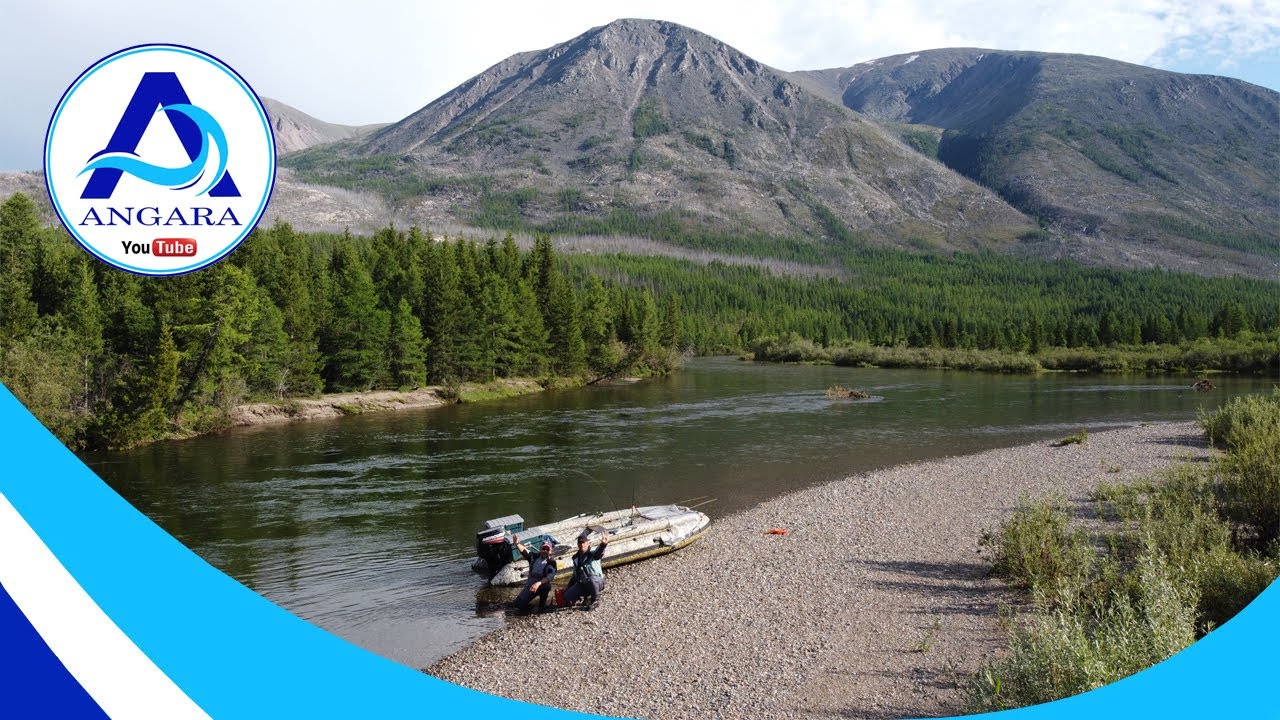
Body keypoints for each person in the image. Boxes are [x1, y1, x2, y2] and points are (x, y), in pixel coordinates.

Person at [561, 529, 609, 610]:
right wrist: (567, 589)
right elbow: (574, 576)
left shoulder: (592, 552)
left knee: (592, 579)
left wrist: (603, 544)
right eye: (580, 543)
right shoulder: (576, 558)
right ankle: (584, 598)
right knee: (567, 596)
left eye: (583, 542)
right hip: (584, 584)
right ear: (578, 544)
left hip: (597, 581)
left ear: (588, 543)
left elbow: (598, 554)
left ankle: (595, 600)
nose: (582, 544)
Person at [511, 536, 557, 612]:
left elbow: (549, 577)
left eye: (547, 549)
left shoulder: (552, 562)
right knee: (517, 605)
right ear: (540, 549)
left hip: (542, 585)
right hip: (531, 585)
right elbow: (524, 551)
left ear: (550, 551)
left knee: (547, 586)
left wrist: (538, 584)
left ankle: (542, 605)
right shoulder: (534, 557)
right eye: (543, 549)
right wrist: (517, 543)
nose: (545, 551)